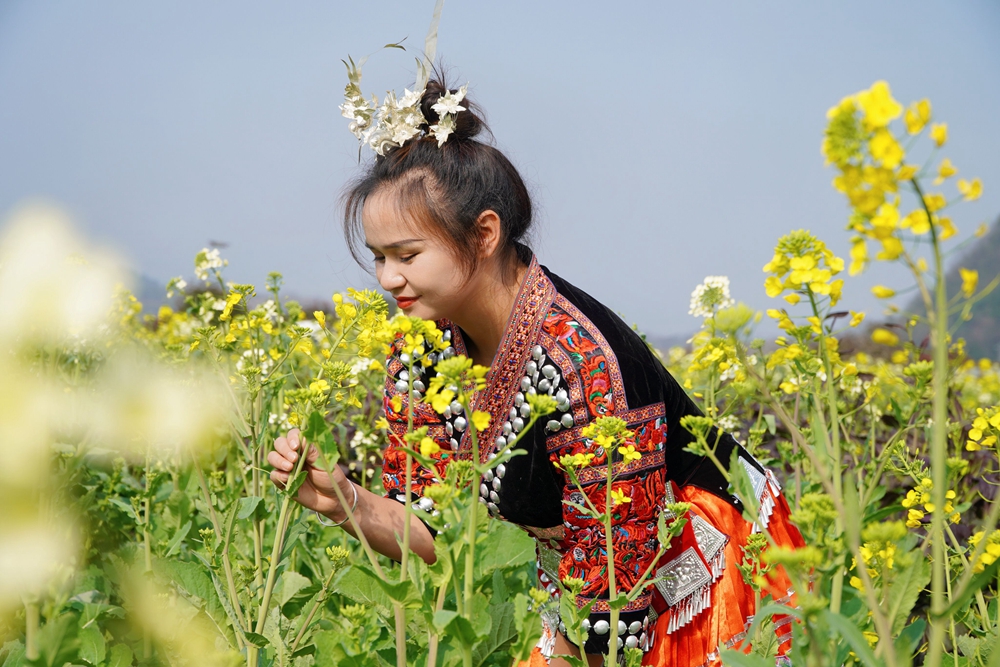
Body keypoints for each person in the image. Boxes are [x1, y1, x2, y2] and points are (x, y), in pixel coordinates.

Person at [269, 78, 804, 667]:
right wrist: (344, 499)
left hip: (699, 582)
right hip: (586, 599)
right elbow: (430, 529)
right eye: (378, 256)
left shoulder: (583, 360)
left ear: (485, 234)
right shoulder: (421, 350)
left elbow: (616, 577)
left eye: (407, 255)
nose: (386, 278)